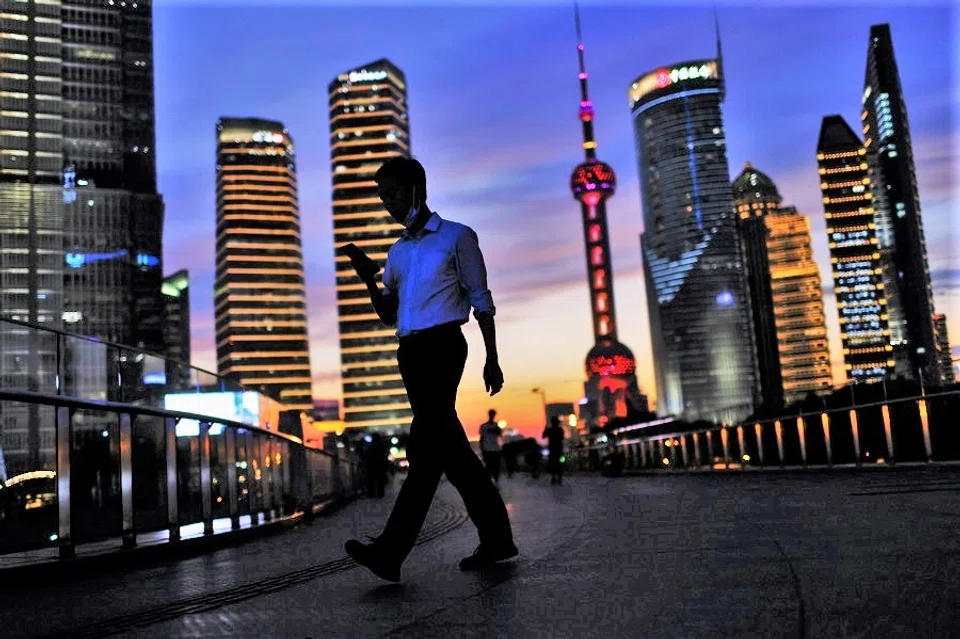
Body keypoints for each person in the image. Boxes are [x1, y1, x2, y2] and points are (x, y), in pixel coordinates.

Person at [343, 157, 517, 582]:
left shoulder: (457, 236)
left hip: (443, 347)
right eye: (382, 194)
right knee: (450, 453)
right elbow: (388, 313)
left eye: (393, 191)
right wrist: (369, 278)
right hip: (410, 353)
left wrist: (492, 357)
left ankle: (390, 551)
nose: (387, 201)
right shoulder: (397, 252)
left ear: (417, 187)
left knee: (424, 447)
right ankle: (497, 539)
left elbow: (481, 298)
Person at [479, 409, 504, 485]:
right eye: (492, 414)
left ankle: (496, 482)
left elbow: (500, 435)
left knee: (496, 467)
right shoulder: (483, 426)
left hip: (496, 449)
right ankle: (489, 483)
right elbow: (482, 438)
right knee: (489, 467)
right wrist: (482, 449)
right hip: (488, 449)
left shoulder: (496, 426)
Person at [543, 416, 566, 485]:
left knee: (553, 463)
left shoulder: (550, 430)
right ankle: (559, 478)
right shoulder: (560, 430)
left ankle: (554, 477)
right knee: (560, 463)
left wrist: (546, 430)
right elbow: (562, 438)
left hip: (553, 450)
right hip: (559, 449)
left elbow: (543, 436)